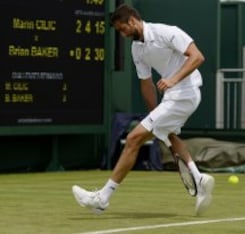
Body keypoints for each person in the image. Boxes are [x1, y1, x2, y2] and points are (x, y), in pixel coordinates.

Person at [72, 4, 215, 216]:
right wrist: (153, 115)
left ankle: (102, 198)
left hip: (187, 93)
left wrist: (172, 79)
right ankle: (199, 180)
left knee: (132, 139)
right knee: (170, 135)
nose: (122, 34)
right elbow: (146, 83)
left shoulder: (167, 32)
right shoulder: (136, 49)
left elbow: (197, 56)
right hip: (173, 98)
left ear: (132, 21)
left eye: (122, 29)